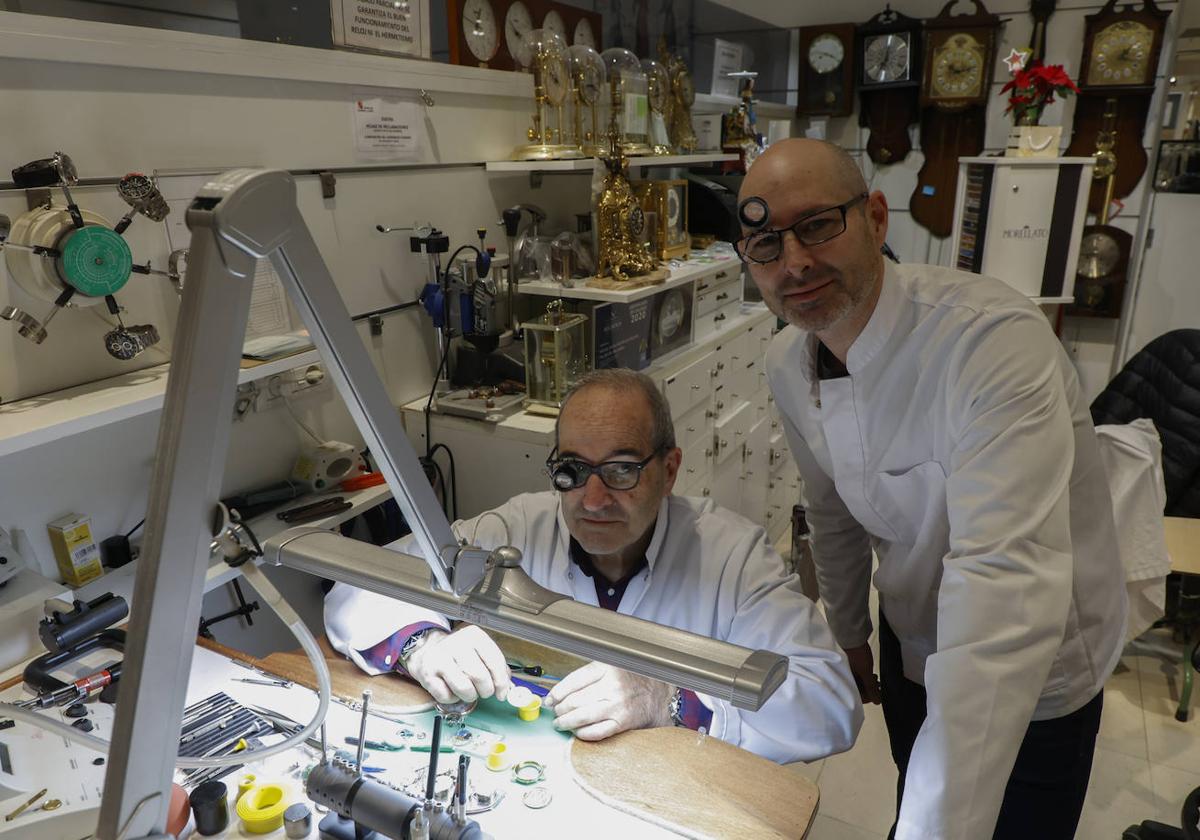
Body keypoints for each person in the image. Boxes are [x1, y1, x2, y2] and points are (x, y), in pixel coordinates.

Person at [737, 138, 1127, 839]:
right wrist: (849, 632)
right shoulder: (787, 361)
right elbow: (830, 509)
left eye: (819, 224)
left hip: (1035, 664)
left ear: (877, 220)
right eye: (765, 243)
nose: (794, 262)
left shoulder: (990, 341)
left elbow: (1003, 588)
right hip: (911, 630)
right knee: (915, 777)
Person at [325, 368, 863, 763]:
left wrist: (670, 701)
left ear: (670, 469)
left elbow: (829, 702)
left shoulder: (731, 557)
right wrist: (425, 646)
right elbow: (361, 580)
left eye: (623, 470)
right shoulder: (515, 528)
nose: (593, 498)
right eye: (573, 469)